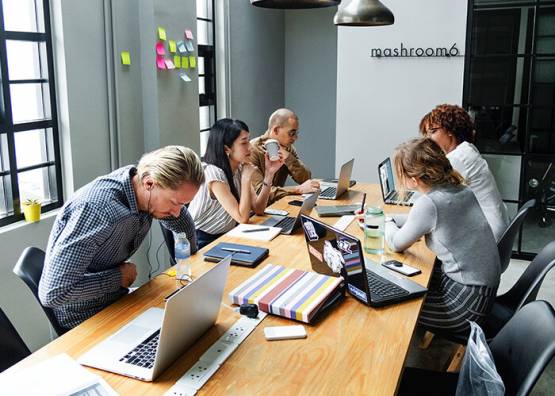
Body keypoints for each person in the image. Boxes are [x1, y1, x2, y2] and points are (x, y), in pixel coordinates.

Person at [38, 146, 204, 330]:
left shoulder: (140, 184)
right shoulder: (96, 211)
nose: (176, 212)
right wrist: (118, 278)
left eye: (183, 204)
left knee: (191, 324)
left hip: (118, 298)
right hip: (85, 317)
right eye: (174, 203)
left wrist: (190, 260)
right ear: (149, 184)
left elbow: (182, 222)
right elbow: (54, 293)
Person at [385, 138, 500, 335]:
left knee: (393, 304)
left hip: (467, 306)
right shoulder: (461, 189)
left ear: (414, 180)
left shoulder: (429, 204)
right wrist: (392, 218)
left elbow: (396, 243)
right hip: (483, 292)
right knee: (405, 278)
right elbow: (421, 220)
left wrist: (385, 223)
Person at [188, 118, 284, 249]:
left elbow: (258, 209)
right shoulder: (213, 173)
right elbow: (242, 218)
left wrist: (269, 174)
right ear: (227, 148)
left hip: (228, 234)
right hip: (203, 241)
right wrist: (245, 179)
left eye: (248, 140)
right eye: (244, 143)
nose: (250, 146)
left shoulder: (239, 167)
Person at [419, 104, 509, 241]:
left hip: (488, 236)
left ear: (449, 130)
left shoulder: (458, 158)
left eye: (432, 131)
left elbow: (430, 197)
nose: (428, 138)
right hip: (491, 226)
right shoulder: (467, 149)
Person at [250, 108, 320, 203]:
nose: (295, 138)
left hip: (276, 206)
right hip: (255, 212)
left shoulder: (288, 148)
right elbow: (258, 192)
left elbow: (306, 179)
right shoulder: (252, 150)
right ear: (276, 130)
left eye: (296, 133)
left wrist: (288, 158)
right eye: (292, 133)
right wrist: (296, 190)